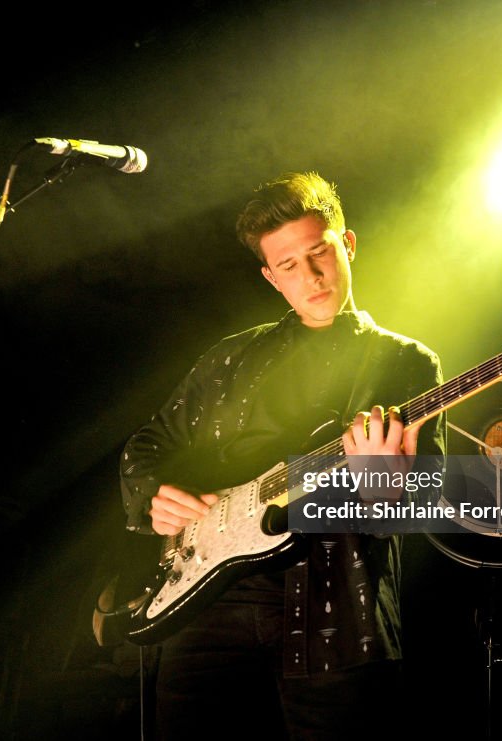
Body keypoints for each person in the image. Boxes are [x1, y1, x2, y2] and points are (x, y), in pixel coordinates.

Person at [119, 171, 446, 739]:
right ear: (271, 277)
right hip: (207, 600)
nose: (312, 275)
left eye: (319, 252)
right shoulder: (229, 357)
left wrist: (387, 490)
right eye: (289, 265)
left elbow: (424, 500)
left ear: (346, 244)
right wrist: (154, 494)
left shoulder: (405, 363)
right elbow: (150, 443)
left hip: (336, 604)